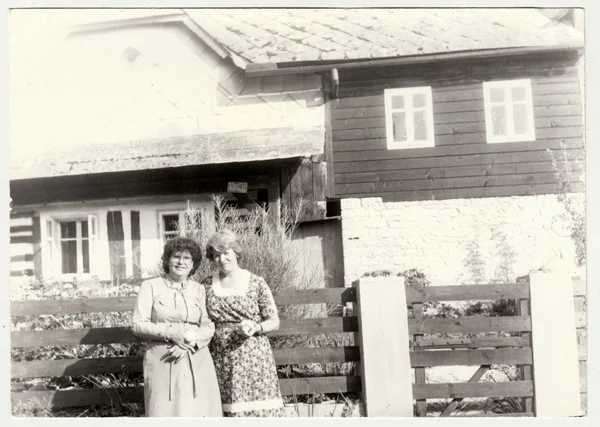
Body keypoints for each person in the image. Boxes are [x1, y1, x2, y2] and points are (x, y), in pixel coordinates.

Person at [132, 237, 222, 417]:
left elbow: (208, 325)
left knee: (201, 411)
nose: (181, 262)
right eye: (176, 257)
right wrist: (171, 333)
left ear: (193, 263)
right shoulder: (150, 286)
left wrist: (189, 343)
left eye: (187, 258)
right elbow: (138, 325)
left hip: (197, 357)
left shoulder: (199, 289)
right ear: (167, 260)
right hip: (163, 358)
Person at [204, 229, 285, 417]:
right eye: (216, 255)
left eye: (226, 253)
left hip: (254, 356)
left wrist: (257, 327)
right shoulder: (206, 285)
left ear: (236, 252)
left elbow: (274, 320)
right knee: (229, 408)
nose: (221, 259)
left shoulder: (256, 282)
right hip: (222, 356)